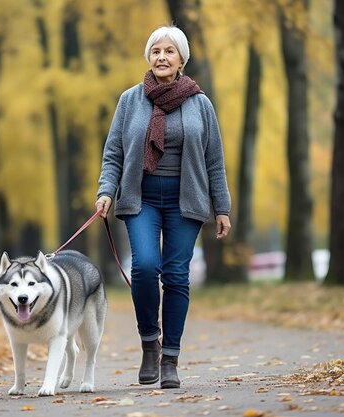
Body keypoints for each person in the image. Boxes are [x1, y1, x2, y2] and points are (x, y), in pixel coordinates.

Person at [95, 25, 231, 389]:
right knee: (144, 267)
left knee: (175, 276)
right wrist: (106, 191)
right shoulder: (130, 100)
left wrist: (223, 207)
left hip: (185, 200)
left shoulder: (200, 103)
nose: (162, 57)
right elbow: (114, 154)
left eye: (169, 51)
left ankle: (170, 358)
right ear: (148, 58)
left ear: (182, 59)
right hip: (140, 198)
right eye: (156, 51)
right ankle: (149, 345)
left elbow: (214, 160)